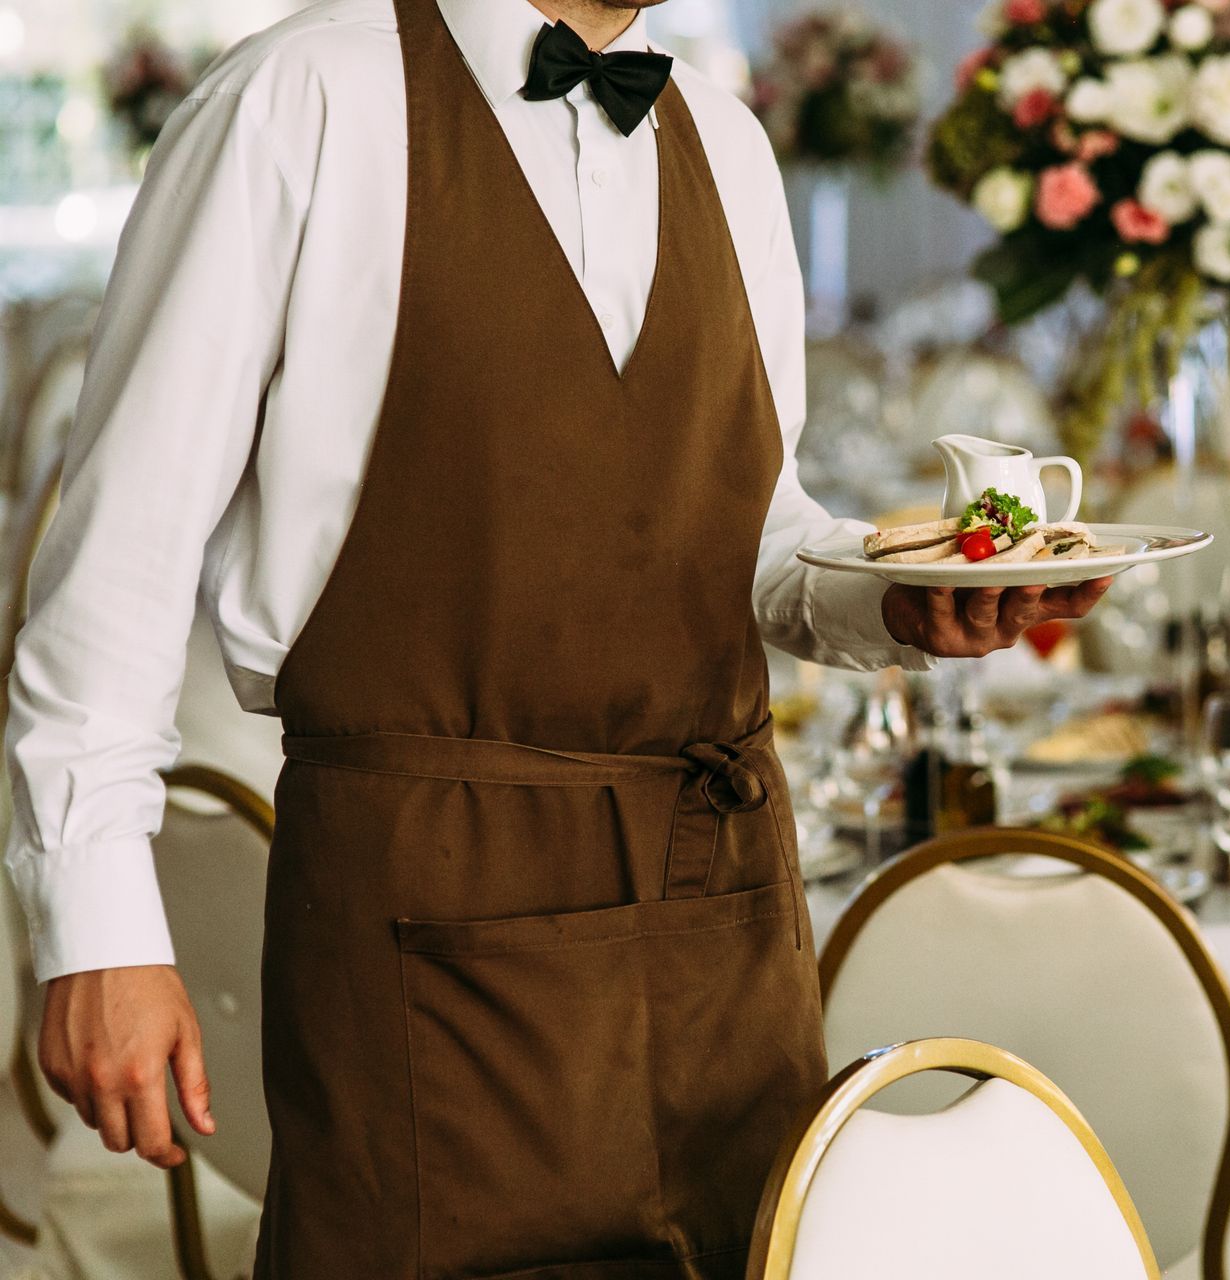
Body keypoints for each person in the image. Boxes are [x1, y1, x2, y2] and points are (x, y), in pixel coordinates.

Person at [2, 1, 1110, 1275]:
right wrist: (98, 930)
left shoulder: (726, 142)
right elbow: (116, 558)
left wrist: (887, 597)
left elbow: (745, 518)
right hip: (428, 916)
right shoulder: (298, 101)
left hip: (722, 918)